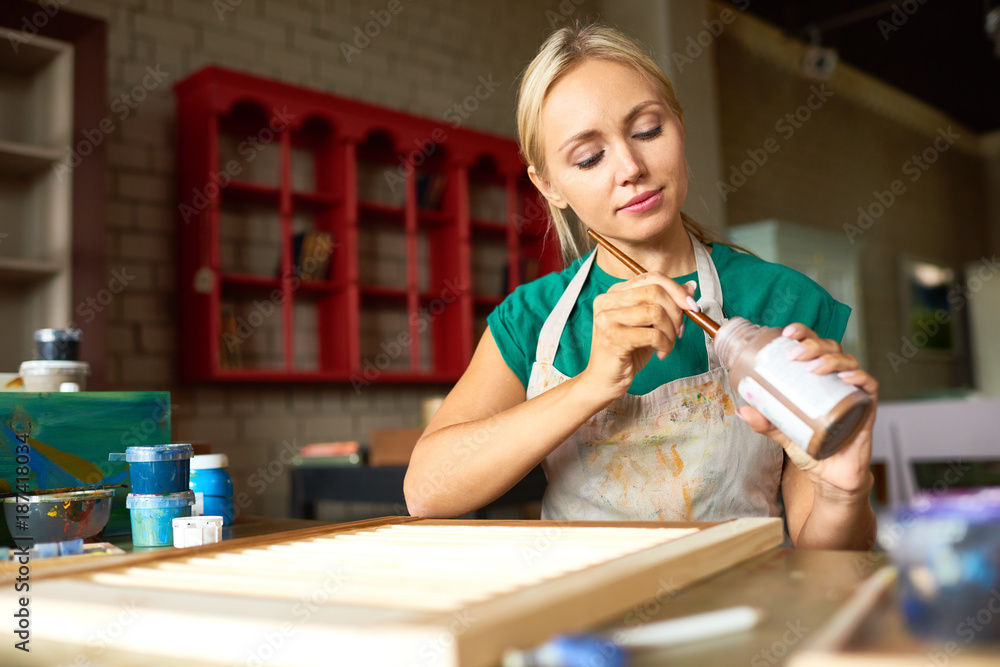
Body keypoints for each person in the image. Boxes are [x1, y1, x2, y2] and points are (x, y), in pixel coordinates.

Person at [404, 23, 877, 550]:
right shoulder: (531, 320)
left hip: (745, 616)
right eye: (588, 158)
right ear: (549, 186)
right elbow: (426, 490)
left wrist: (842, 494)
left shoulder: (783, 302)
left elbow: (828, 563)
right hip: (579, 624)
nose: (631, 168)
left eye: (648, 131)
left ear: (679, 124)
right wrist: (592, 384)